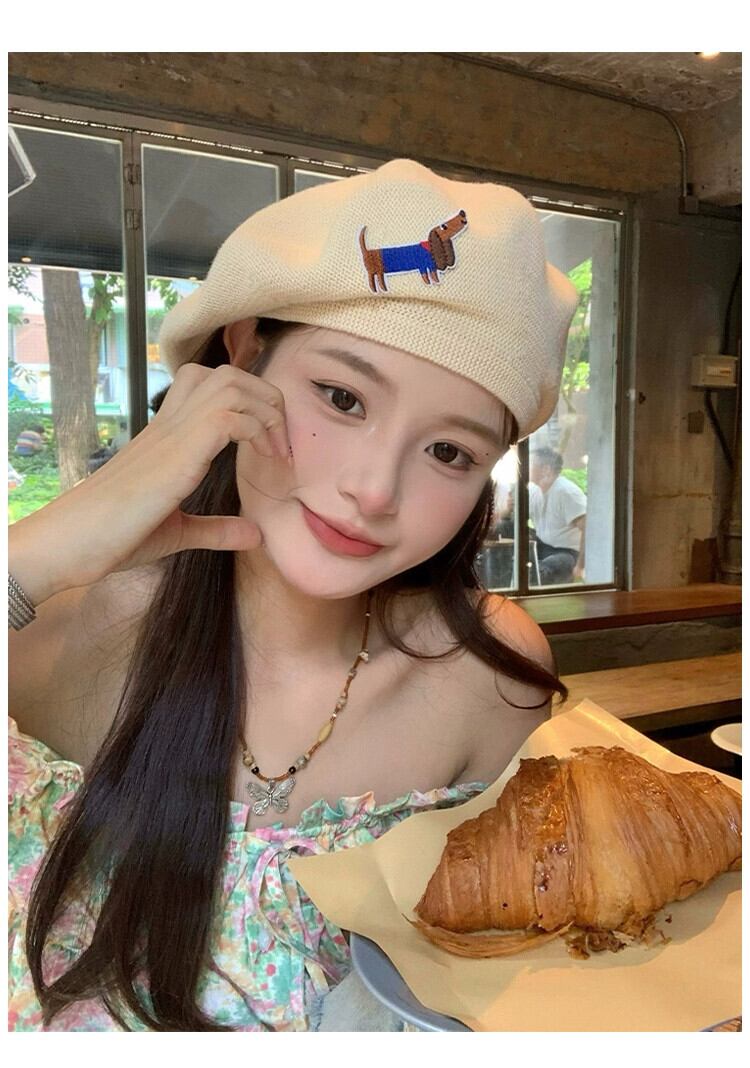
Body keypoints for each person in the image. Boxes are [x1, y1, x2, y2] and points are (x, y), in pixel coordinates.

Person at [8, 159, 578, 1032]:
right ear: (242, 353)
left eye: (449, 452)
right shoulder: (55, 623)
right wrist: (34, 558)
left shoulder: (487, 678)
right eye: (342, 397)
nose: (374, 489)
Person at [528, 446, 587, 584]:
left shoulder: (566, 492)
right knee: (504, 527)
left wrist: (581, 566)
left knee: (542, 571)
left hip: (567, 553)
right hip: (542, 545)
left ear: (546, 469)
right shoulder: (533, 490)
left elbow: (589, 529)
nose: (525, 467)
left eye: (530, 463)